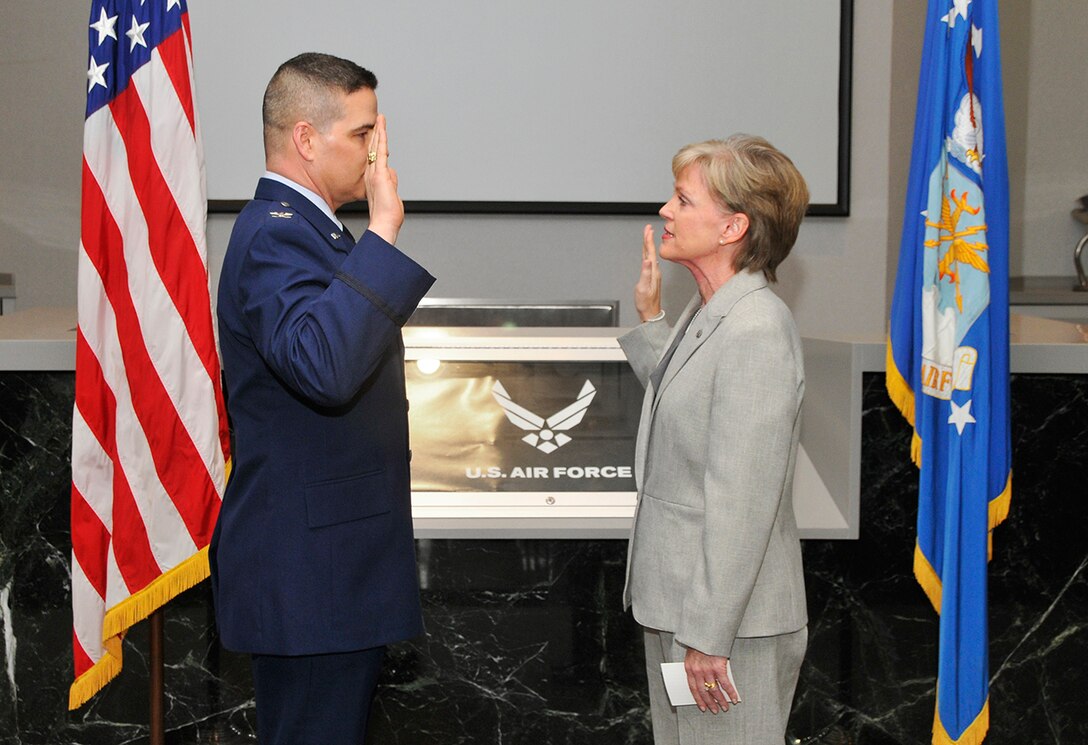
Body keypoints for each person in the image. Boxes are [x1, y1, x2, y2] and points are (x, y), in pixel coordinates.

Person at [210, 53, 435, 744]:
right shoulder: (278, 234)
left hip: (329, 570)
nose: (376, 152)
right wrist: (386, 234)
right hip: (312, 578)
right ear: (307, 139)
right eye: (363, 133)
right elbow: (327, 368)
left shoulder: (309, 231)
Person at [618, 135, 809, 744]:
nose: (665, 213)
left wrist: (707, 635)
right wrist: (652, 321)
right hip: (682, 607)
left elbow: (741, 498)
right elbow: (687, 410)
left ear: (733, 227)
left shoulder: (755, 329)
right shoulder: (712, 311)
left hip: (726, 627)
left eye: (682, 199)